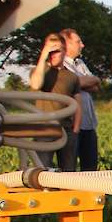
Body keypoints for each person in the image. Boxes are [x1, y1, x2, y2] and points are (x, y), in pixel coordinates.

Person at [30, 32, 82, 171]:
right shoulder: (40, 71)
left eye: (56, 51)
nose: (52, 54)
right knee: (41, 171)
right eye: (49, 51)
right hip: (44, 129)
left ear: (64, 51)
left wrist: (75, 130)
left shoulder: (72, 77)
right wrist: (43, 56)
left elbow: (77, 103)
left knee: (68, 173)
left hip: (66, 129)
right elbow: (35, 85)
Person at [60, 28, 100, 171]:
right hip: (73, 126)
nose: (82, 45)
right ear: (66, 44)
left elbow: (95, 85)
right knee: (69, 168)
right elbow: (71, 84)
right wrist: (82, 82)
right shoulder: (61, 65)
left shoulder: (80, 63)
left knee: (90, 168)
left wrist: (84, 82)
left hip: (89, 124)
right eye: (78, 42)